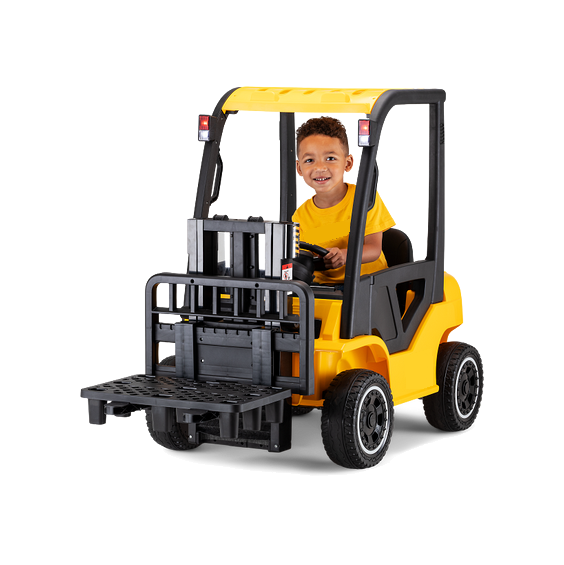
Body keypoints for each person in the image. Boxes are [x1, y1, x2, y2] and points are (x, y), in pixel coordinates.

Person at [292, 116, 395, 285]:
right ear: (299, 168)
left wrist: (344, 255)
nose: (320, 168)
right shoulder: (300, 216)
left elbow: (374, 249)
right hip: (322, 290)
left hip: (368, 288)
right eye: (309, 160)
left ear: (348, 163)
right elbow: (302, 258)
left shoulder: (365, 200)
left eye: (330, 158)